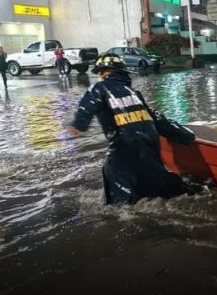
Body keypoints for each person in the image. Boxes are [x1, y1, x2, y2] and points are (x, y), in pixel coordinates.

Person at [65, 53, 201, 205]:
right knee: (156, 185)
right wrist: (186, 135)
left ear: (104, 73)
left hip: (123, 150)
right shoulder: (135, 95)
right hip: (150, 151)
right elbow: (158, 119)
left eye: (99, 73)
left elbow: (88, 104)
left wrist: (78, 124)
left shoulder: (99, 87)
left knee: (119, 198)